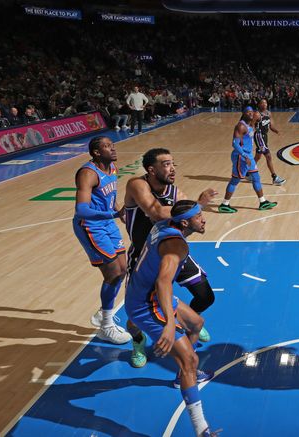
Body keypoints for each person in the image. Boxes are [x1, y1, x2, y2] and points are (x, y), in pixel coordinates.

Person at [125, 200, 221, 437]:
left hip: (143, 293)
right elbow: (163, 282)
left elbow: (174, 212)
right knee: (189, 361)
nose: (204, 219)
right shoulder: (176, 246)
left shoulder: (165, 223)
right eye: (199, 216)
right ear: (186, 223)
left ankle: (182, 376)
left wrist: (199, 200)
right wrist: (169, 323)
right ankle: (202, 429)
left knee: (197, 323)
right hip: (147, 304)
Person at [119, 147, 218, 367]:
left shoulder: (174, 191)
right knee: (137, 315)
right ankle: (138, 341)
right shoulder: (137, 184)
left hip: (172, 250)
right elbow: (155, 212)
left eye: (173, 163)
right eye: (166, 164)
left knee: (205, 296)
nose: (172, 168)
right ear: (151, 169)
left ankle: (188, 322)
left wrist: (196, 209)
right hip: (143, 257)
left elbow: (188, 212)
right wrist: (198, 204)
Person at [72, 136, 132, 344]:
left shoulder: (112, 168)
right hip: (90, 226)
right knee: (113, 272)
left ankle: (102, 314)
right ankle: (106, 325)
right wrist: (113, 215)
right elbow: (82, 209)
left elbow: (110, 197)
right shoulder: (88, 174)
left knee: (123, 269)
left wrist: (119, 213)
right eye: (107, 146)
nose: (113, 149)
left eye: (112, 145)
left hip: (107, 222)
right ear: (96, 152)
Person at [219, 107, 278, 213]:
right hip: (241, 156)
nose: (251, 114)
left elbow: (252, 131)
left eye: (252, 112)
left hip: (249, 156)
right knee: (235, 180)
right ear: (244, 114)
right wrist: (244, 156)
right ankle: (224, 204)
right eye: (248, 112)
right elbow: (234, 144)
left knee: (256, 177)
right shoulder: (241, 126)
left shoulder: (251, 124)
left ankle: (263, 202)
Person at [254, 99, 286, 185]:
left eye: (266, 103)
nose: (265, 104)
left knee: (258, 157)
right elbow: (250, 125)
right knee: (268, 156)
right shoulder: (257, 114)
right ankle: (274, 177)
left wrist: (276, 131)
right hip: (259, 136)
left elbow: (271, 126)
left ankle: (247, 173)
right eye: (262, 103)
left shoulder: (268, 113)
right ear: (259, 104)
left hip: (265, 137)